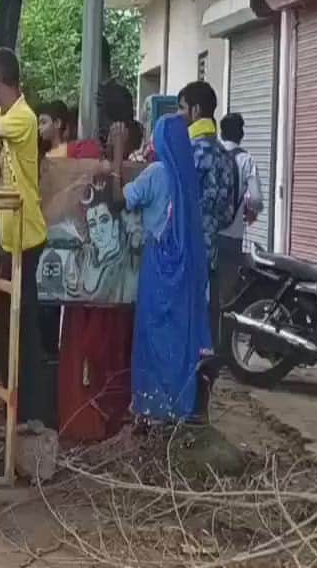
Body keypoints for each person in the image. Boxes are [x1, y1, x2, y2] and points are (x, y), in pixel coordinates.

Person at [107, 115, 209, 421]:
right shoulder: (189, 177)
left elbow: (118, 200)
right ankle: (179, 403)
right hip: (185, 266)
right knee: (178, 334)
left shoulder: (155, 173)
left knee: (153, 332)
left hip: (158, 263)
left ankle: (153, 406)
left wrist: (117, 155)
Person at [0, 47, 50, 426]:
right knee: (4, 322)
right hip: (8, 235)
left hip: (26, 234)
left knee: (22, 326)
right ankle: (8, 400)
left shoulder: (22, 117)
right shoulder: (5, 113)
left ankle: (31, 410)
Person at [176, 81, 240, 344]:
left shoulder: (188, 152)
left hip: (183, 253)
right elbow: (228, 213)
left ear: (195, 111)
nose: (178, 115)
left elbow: (174, 202)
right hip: (212, 254)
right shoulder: (226, 156)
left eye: (181, 108)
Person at [218, 113, 264, 301]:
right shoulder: (247, 160)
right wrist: (249, 208)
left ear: (221, 133)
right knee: (225, 294)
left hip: (207, 234)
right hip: (232, 236)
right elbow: (256, 199)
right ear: (241, 135)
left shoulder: (212, 155)